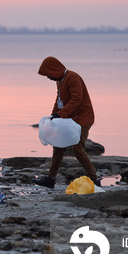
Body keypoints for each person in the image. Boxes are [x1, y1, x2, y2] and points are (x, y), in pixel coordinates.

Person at [33, 56, 100, 189]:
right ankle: (51, 179)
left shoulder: (72, 77)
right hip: (69, 119)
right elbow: (58, 101)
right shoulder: (60, 81)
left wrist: (60, 114)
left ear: (55, 70)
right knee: (58, 146)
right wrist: (53, 116)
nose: (49, 78)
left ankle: (95, 179)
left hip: (83, 118)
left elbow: (77, 99)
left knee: (78, 148)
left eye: (49, 75)